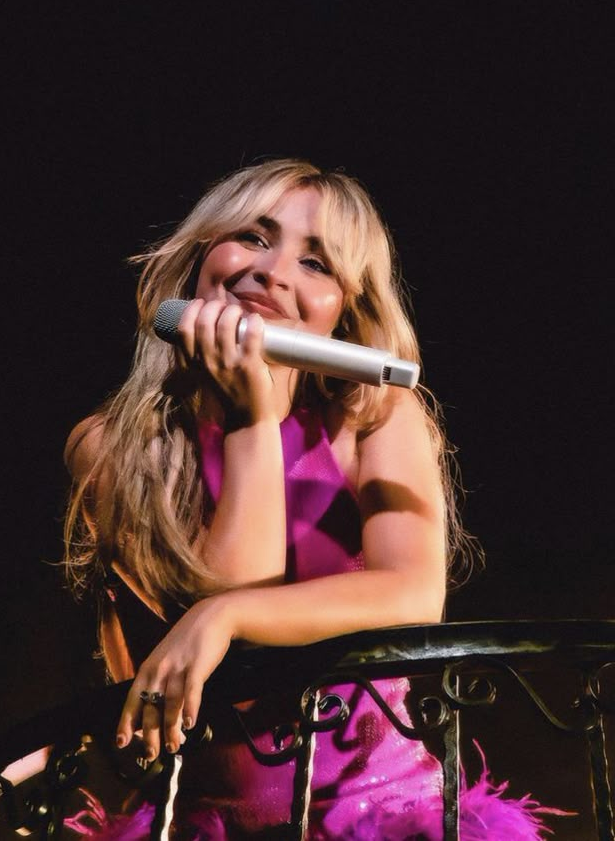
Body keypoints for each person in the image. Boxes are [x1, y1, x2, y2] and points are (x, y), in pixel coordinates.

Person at [63, 160, 557, 839]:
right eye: (252, 237)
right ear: (200, 258)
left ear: (343, 316)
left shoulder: (377, 416)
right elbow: (238, 613)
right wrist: (252, 424)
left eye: (318, 263)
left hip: (388, 818)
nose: (273, 272)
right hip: (214, 823)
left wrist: (227, 614)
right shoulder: (111, 446)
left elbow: (414, 595)